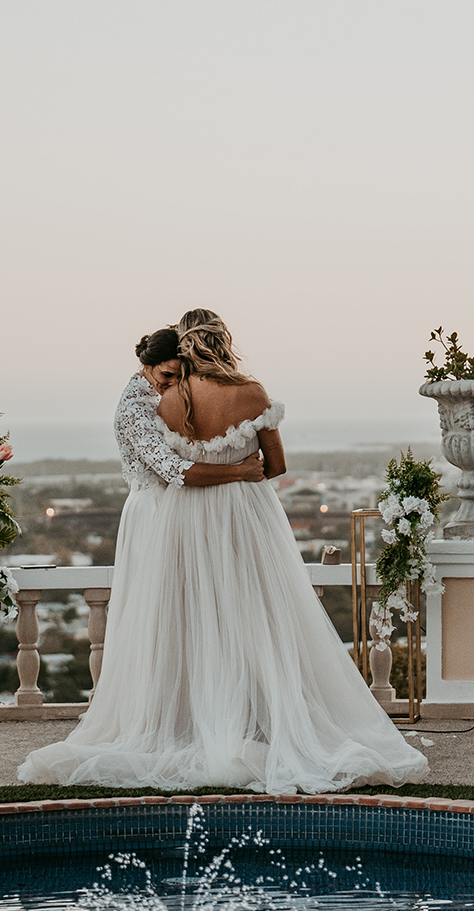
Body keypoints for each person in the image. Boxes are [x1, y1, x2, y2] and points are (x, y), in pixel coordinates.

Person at [17, 324, 284, 786]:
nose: (169, 383)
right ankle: (174, 715)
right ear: (147, 366)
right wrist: (240, 469)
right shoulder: (136, 408)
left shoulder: (171, 396)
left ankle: (214, 712)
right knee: (160, 618)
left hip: (180, 511)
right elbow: (174, 470)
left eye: (177, 375)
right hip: (153, 515)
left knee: (192, 617)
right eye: (164, 374)